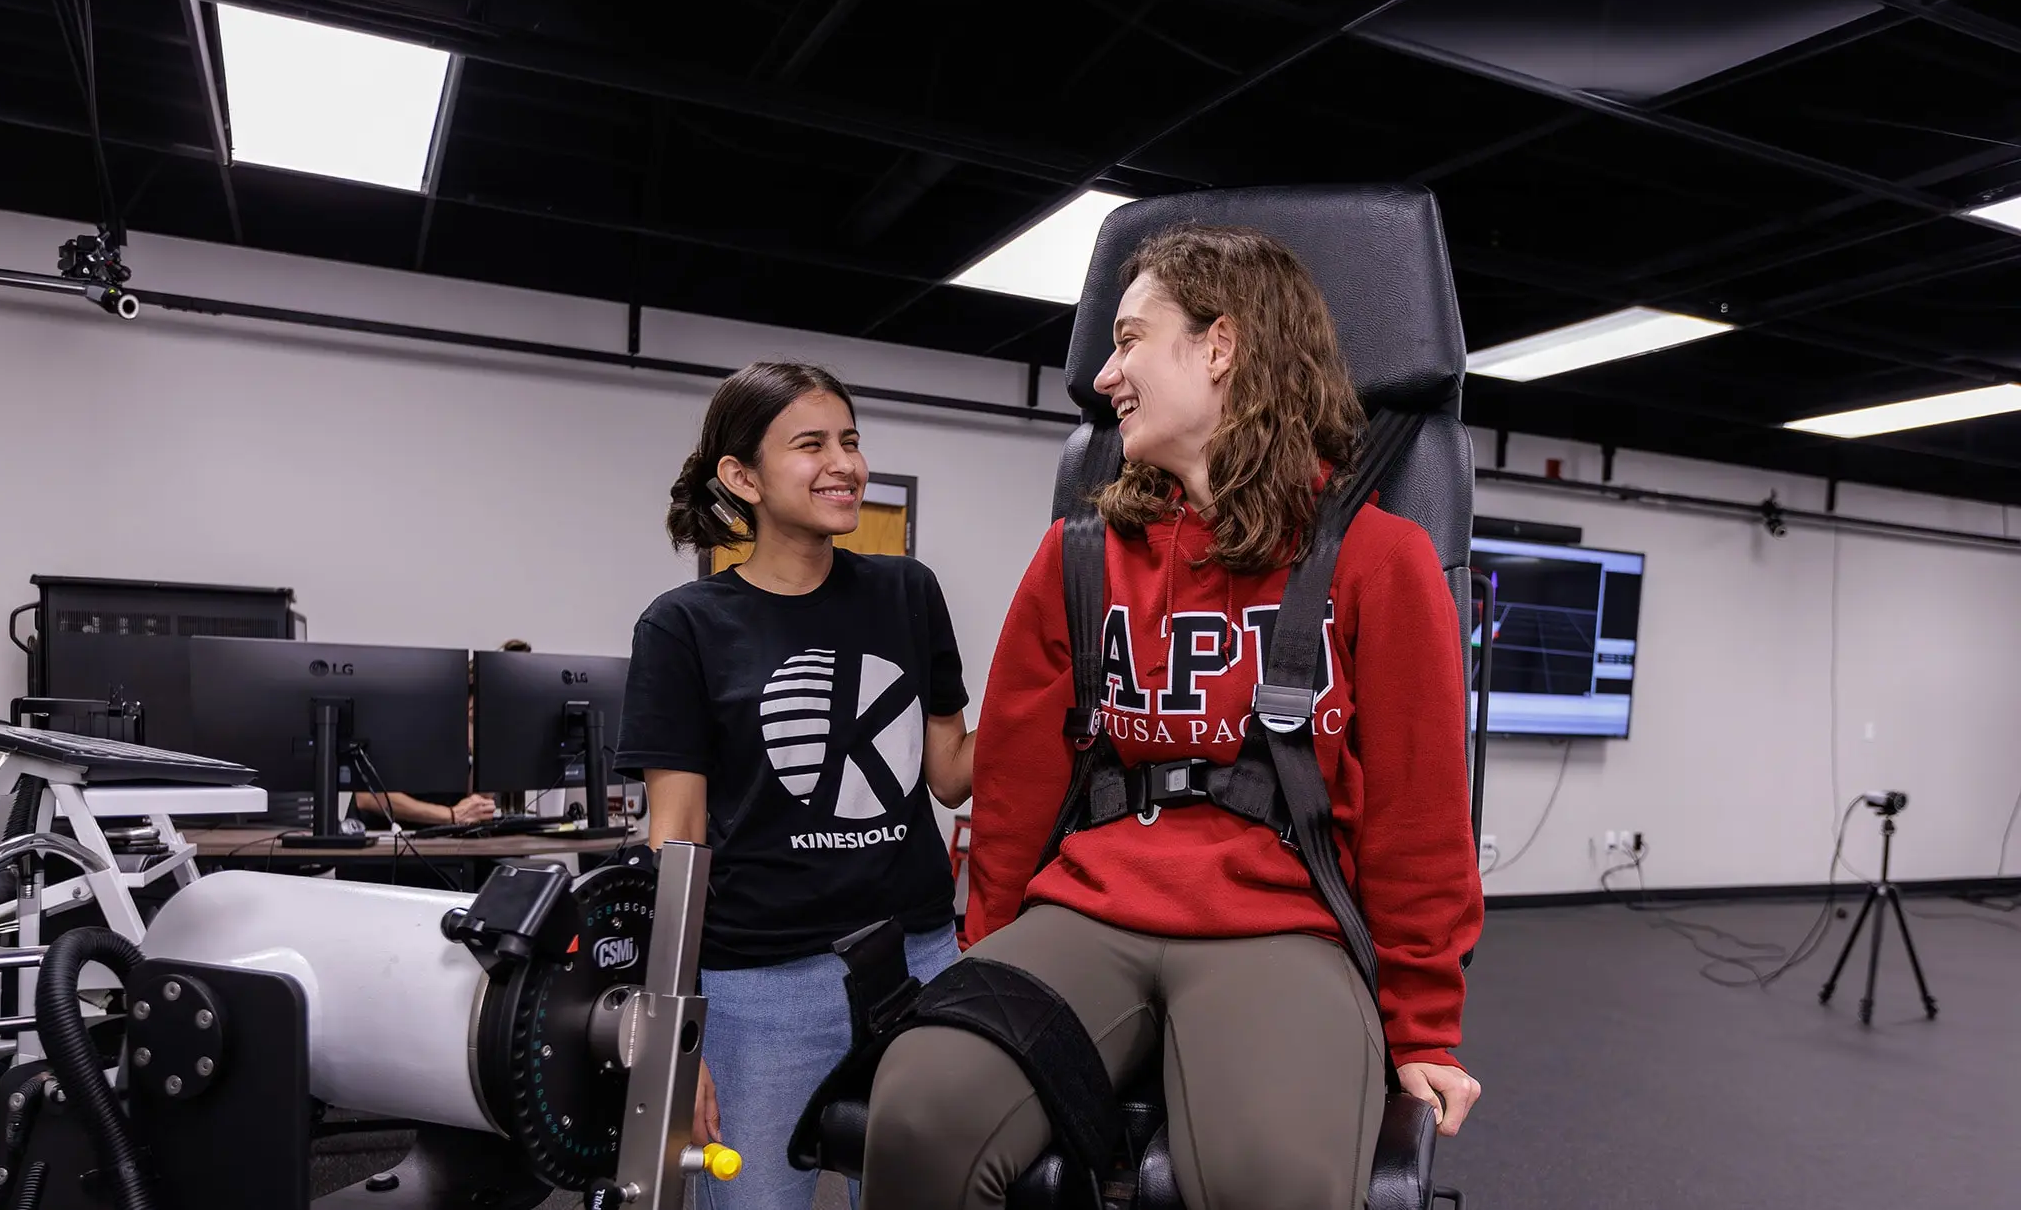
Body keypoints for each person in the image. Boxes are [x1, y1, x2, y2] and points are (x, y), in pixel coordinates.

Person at [861, 225, 1484, 1210]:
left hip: (1280, 926)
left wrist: (1421, 1031)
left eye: (1128, 339)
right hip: (1084, 910)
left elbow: (1420, 822)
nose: (1104, 374)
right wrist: (986, 957)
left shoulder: (1377, 560)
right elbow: (1017, 787)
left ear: (1219, 346)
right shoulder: (1075, 558)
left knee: (1266, 1178)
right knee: (917, 1116)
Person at [614, 361, 975, 1210]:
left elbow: (952, 774)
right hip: (759, 986)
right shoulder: (683, 626)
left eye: (850, 440)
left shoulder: (907, 592)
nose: (844, 463)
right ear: (742, 476)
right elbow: (679, 833)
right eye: (810, 444)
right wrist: (677, 1026)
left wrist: (1058, 688)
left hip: (918, 958)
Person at [351, 639, 527, 828]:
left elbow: (472, 808)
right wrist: (450, 815)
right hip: (378, 841)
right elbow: (368, 797)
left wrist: (486, 753)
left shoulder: (474, 736)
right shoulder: (414, 721)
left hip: (437, 844)